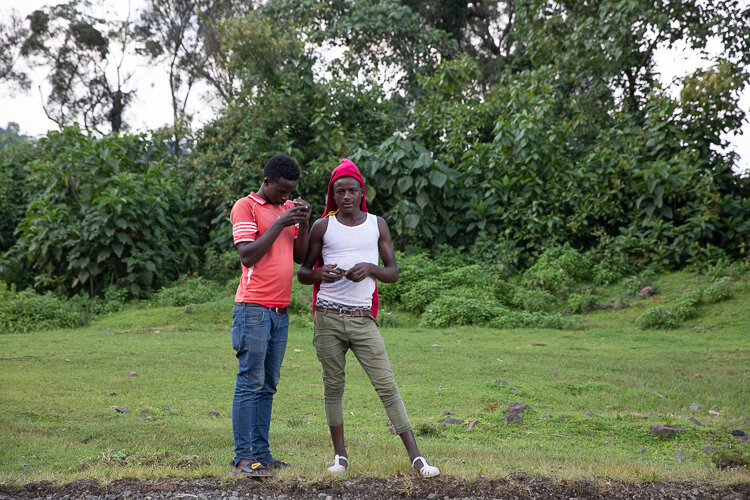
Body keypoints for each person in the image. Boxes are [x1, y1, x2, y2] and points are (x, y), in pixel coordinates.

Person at [297, 158, 440, 478]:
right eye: (339, 192)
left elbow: (393, 273)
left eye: (352, 191)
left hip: (363, 320)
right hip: (328, 317)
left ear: (362, 192)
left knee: (386, 384)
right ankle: (340, 457)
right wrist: (321, 273)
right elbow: (303, 273)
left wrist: (371, 268)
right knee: (333, 386)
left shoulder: (378, 224)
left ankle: (418, 459)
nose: (346, 197)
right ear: (332, 195)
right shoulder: (323, 226)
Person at [230, 154, 311, 477]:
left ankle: (262, 454)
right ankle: (243, 458)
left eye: (290, 191)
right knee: (250, 383)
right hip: (253, 309)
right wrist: (281, 221)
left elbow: (301, 257)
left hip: (280, 311)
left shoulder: (284, 210)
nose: (285, 196)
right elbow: (247, 255)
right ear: (266, 183)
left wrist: (302, 223)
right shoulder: (246, 207)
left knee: (268, 385)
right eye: (281, 191)